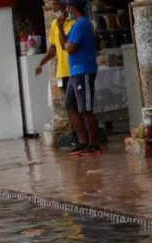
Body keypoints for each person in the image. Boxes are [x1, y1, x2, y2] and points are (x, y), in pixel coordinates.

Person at [60, 0, 100, 156]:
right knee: (71, 107)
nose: (65, 10)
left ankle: (93, 143)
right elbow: (65, 45)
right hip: (74, 72)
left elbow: (70, 48)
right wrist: (59, 27)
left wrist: (67, 45)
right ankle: (82, 141)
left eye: (67, 7)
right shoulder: (75, 26)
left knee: (86, 109)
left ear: (72, 7)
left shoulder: (82, 24)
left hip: (83, 70)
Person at [36, 1, 76, 147]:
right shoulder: (54, 24)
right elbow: (53, 48)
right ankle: (74, 133)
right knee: (70, 106)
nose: (54, 9)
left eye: (56, 5)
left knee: (78, 106)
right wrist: (41, 62)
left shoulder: (73, 23)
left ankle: (81, 136)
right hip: (62, 72)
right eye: (52, 6)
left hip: (75, 71)